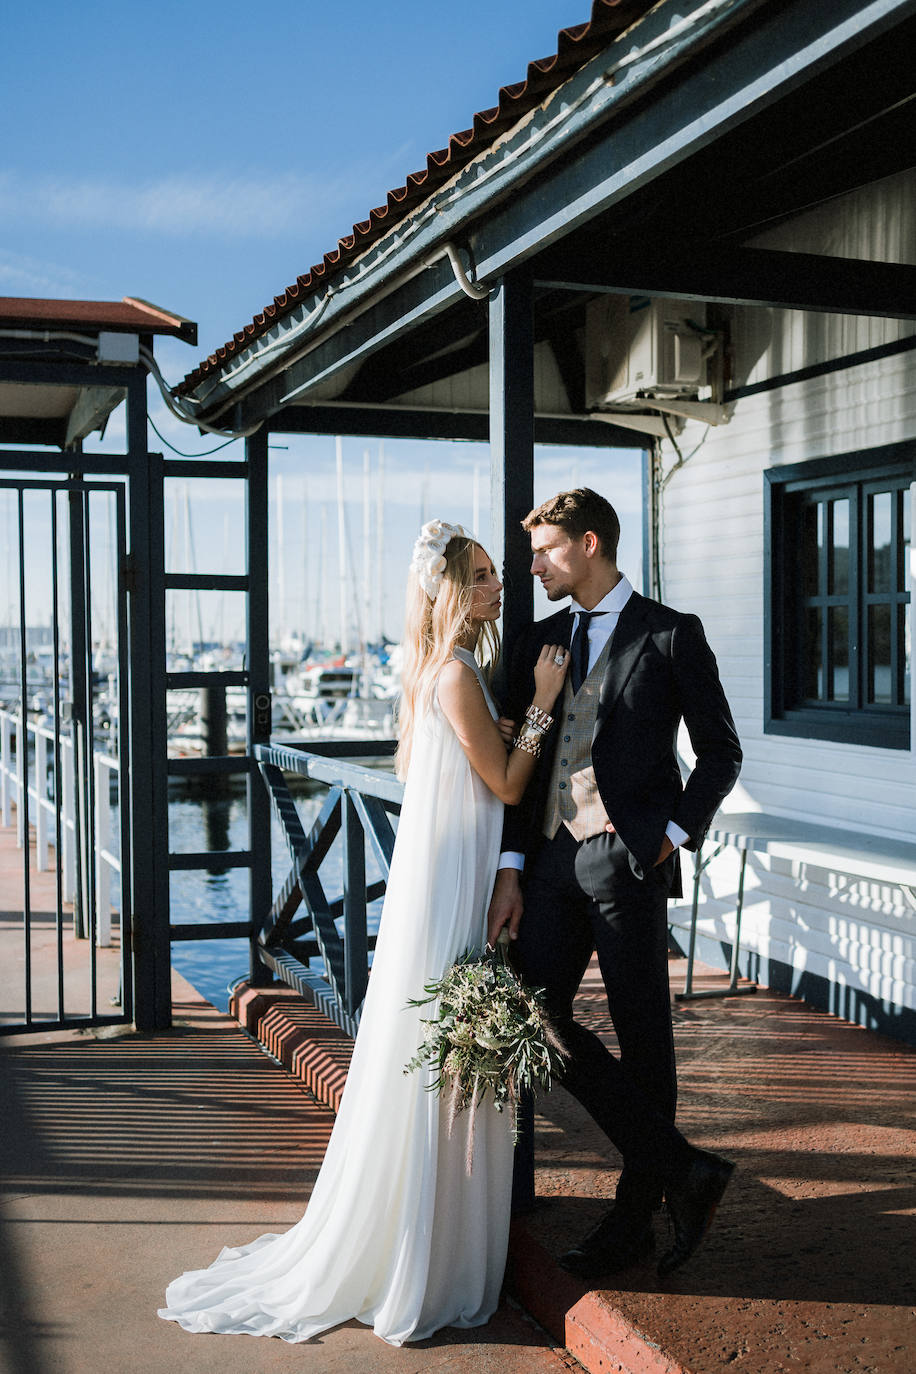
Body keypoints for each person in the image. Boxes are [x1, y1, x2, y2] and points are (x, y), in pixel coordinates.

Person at [159, 521, 569, 1346]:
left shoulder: (452, 669)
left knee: (448, 1052)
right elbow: (506, 777)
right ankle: (426, 1246)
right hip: (450, 884)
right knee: (442, 1053)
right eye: (484, 576)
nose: (499, 587)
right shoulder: (454, 676)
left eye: (498, 573)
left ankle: (446, 1233)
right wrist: (544, 705)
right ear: (451, 590)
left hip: (455, 873)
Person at [487, 488, 742, 1281]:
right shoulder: (536, 638)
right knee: (536, 1013)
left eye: (547, 551)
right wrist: (510, 866)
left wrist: (670, 836)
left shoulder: (670, 634)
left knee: (646, 1042)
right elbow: (512, 769)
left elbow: (721, 751)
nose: (534, 567)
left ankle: (634, 1219)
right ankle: (684, 1169)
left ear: (591, 543)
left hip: (628, 862)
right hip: (553, 861)